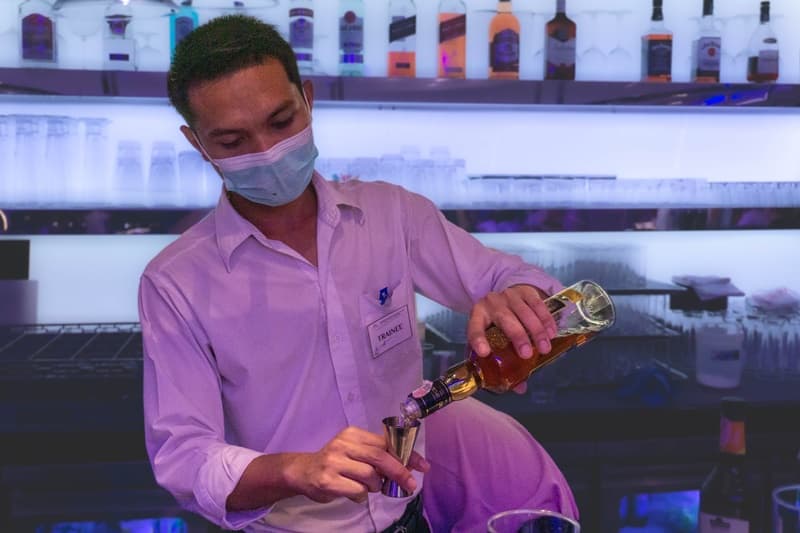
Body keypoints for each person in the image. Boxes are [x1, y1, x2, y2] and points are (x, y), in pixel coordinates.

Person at [139, 14, 577, 532]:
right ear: (197, 143)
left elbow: (540, 291)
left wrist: (515, 298)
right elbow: (183, 456)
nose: (266, 152)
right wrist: (295, 469)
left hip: (408, 517)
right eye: (233, 142)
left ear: (307, 98)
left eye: (281, 123)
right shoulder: (175, 282)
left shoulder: (392, 215)